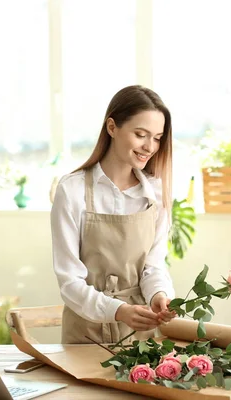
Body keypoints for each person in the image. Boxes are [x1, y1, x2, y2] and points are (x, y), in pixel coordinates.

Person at [50, 85, 176, 344]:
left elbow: (153, 267)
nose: (149, 146)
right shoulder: (72, 190)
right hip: (85, 331)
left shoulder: (154, 194)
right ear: (112, 128)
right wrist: (118, 311)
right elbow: (69, 281)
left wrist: (159, 295)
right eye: (140, 134)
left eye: (157, 137)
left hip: (141, 331)